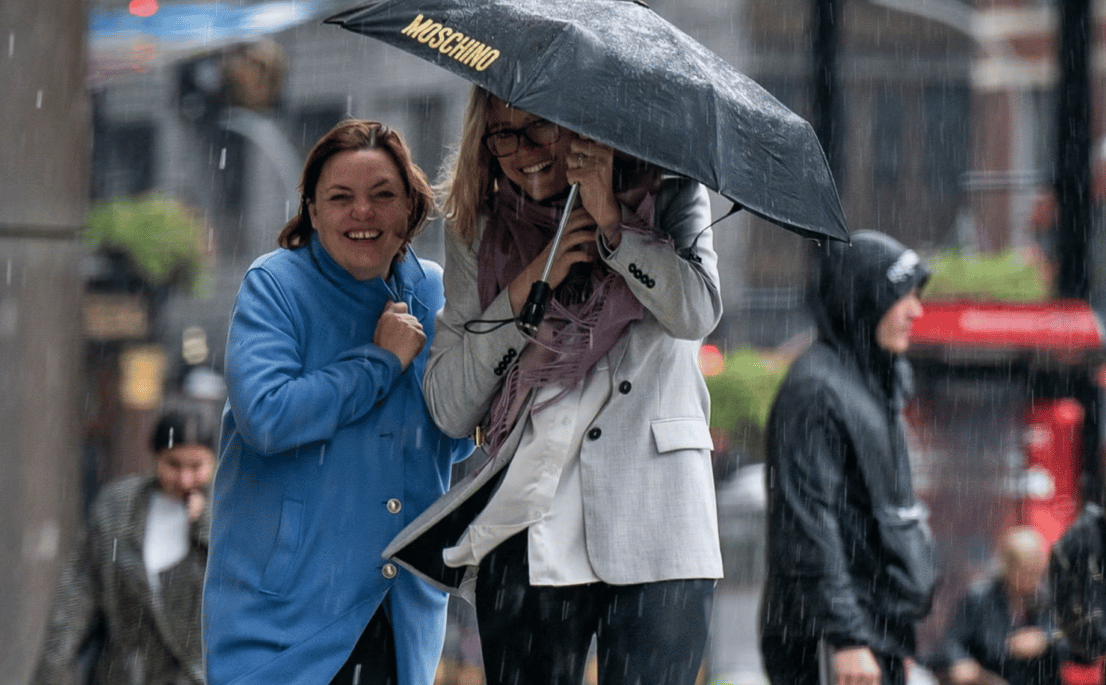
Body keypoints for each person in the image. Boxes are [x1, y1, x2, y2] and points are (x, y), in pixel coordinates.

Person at [385, 86, 724, 685]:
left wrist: (614, 230)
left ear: (583, 126)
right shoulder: (479, 228)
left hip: (658, 514)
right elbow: (447, 406)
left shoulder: (670, 195)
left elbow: (695, 312)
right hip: (531, 515)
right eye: (503, 135)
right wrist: (527, 288)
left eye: (540, 127)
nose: (523, 152)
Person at [202, 120, 472, 685]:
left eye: (382, 196)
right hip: (285, 618)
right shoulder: (274, 284)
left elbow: (456, 431)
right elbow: (268, 416)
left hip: (400, 610)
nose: (362, 214)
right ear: (313, 210)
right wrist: (380, 362)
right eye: (340, 198)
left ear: (409, 209)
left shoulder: (431, 290)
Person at [760, 229, 936, 685]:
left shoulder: (872, 382)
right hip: (835, 642)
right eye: (903, 295)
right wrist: (847, 639)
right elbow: (807, 521)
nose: (917, 310)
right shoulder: (817, 391)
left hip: (875, 634)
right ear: (866, 299)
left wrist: (894, 640)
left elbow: (882, 515)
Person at [31, 412, 217, 685]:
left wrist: (204, 523)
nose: (185, 479)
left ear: (213, 461)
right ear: (155, 458)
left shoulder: (228, 515)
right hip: (120, 674)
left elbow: (243, 591)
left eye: (196, 466)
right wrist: (53, 672)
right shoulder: (117, 508)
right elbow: (78, 595)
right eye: (174, 465)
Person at [940, 526, 1060, 685]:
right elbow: (954, 640)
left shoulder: (1049, 598)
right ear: (1008, 567)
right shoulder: (980, 598)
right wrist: (961, 661)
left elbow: (1076, 643)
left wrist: (1046, 640)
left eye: (1036, 571)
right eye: (1025, 572)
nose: (1032, 579)